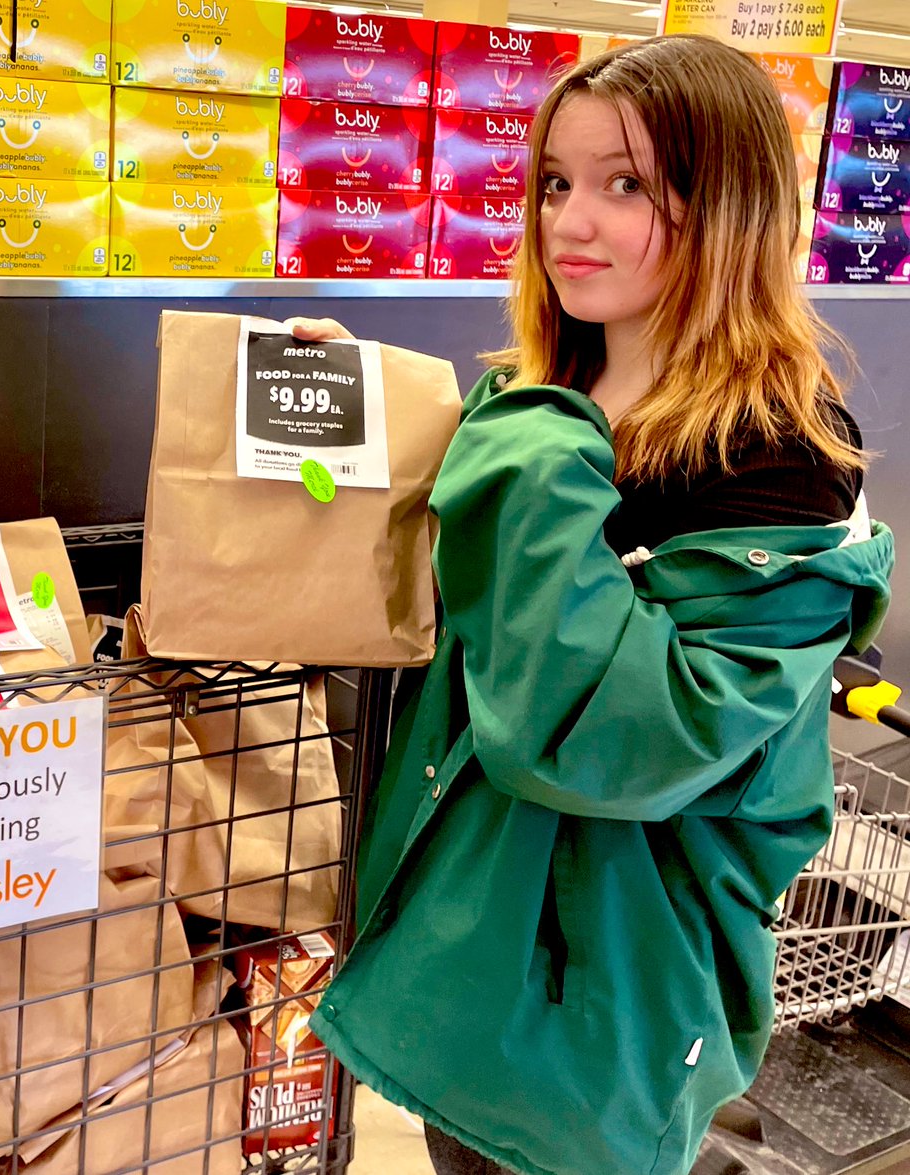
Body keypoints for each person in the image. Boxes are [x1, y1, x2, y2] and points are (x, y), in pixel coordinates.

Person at [287, 34, 895, 1175]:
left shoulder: (779, 454)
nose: (571, 223)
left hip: (607, 981)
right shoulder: (550, 392)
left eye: (626, 185)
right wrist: (388, 402)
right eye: (557, 183)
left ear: (726, 204)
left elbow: (618, 740)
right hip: (465, 934)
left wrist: (514, 444)